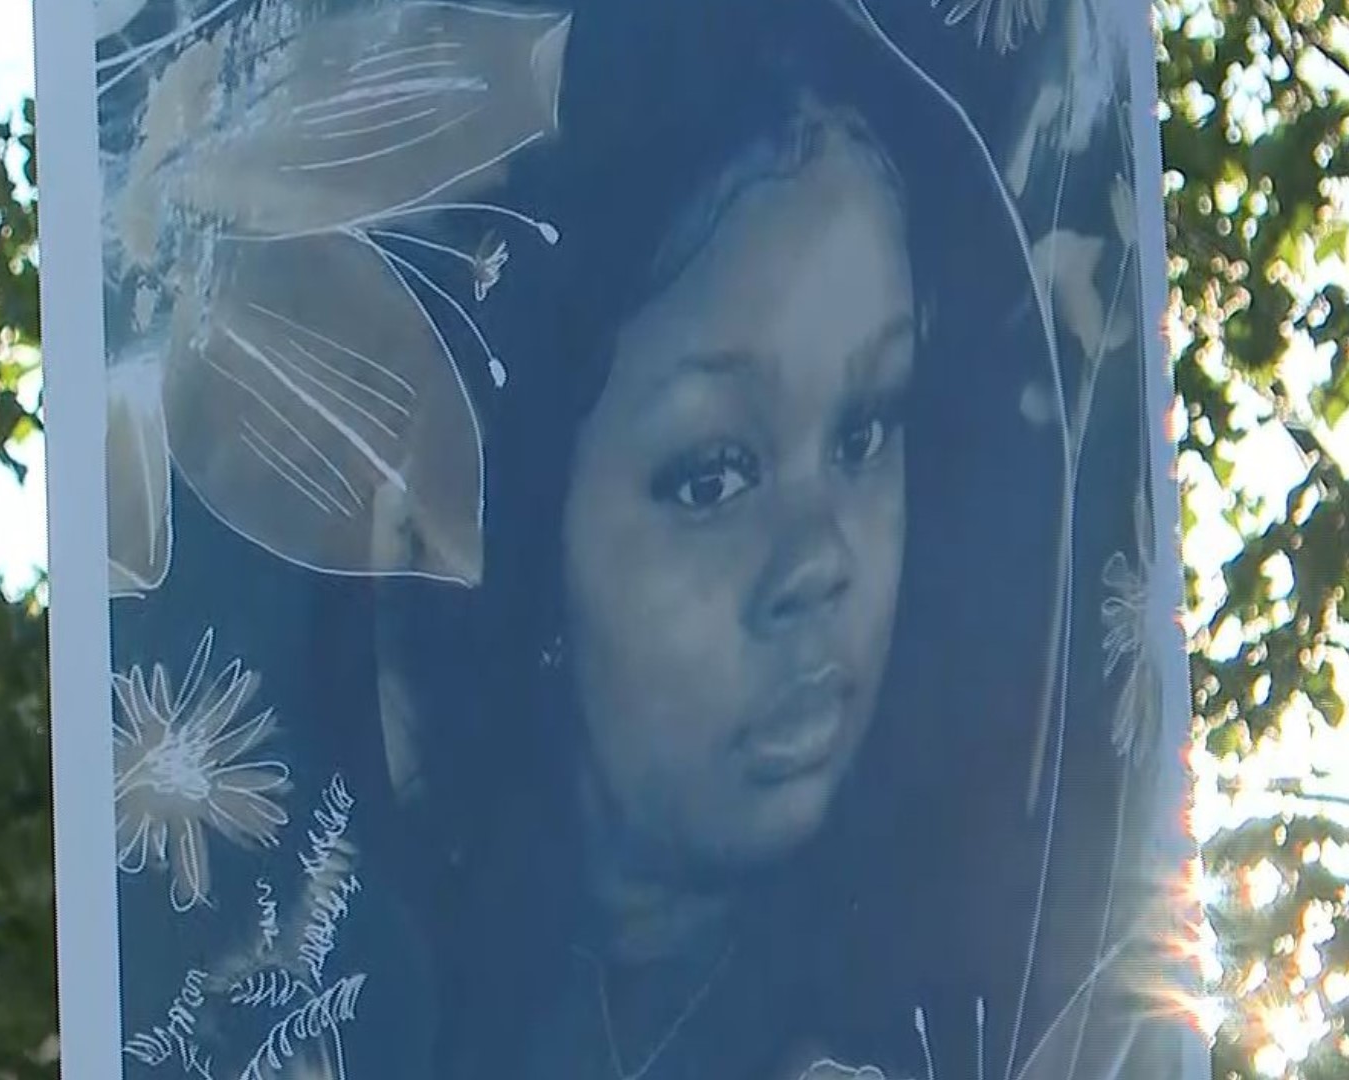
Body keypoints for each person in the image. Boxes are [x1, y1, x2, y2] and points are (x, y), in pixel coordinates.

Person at [370, 1, 1167, 1077]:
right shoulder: (365, 973)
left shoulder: (992, 999)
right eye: (713, 475)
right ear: (520, 532)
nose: (821, 560)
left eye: (865, 429)